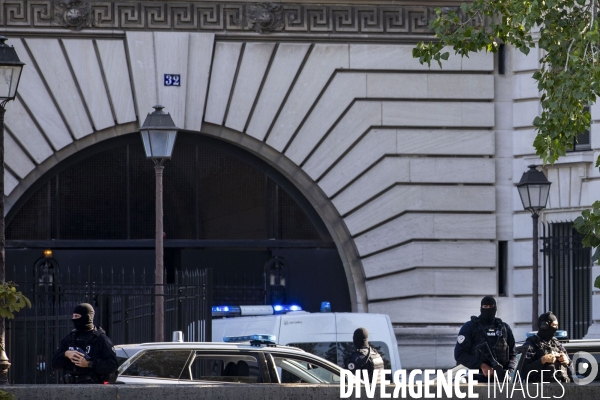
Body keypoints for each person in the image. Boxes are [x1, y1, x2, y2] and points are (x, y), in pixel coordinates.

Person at [52, 303, 118, 384]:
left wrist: (89, 364)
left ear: (87, 317)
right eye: (73, 316)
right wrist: (66, 354)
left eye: (77, 316)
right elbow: (55, 363)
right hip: (69, 386)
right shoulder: (69, 338)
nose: (74, 319)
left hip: (91, 387)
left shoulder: (101, 339)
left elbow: (112, 365)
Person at [454, 296, 517, 379]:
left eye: (491, 307)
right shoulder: (470, 327)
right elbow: (459, 354)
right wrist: (481, 365)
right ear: (481, 308)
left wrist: (508, 371)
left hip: (501, 379)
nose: (488, 309)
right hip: (477, 378)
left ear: (495, 309)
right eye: (485, 307)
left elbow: (513, 354)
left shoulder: (504, 328)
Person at [522, 311, 573, 383]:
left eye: (557, 325)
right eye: (553, 325)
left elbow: (572, 370)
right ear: (544, 326)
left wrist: (567, 361)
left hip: (562, 389)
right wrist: (542, 360)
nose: (556, 328)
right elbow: (523, 371)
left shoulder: (557, 344)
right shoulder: (531, 344)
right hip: (540, 390)